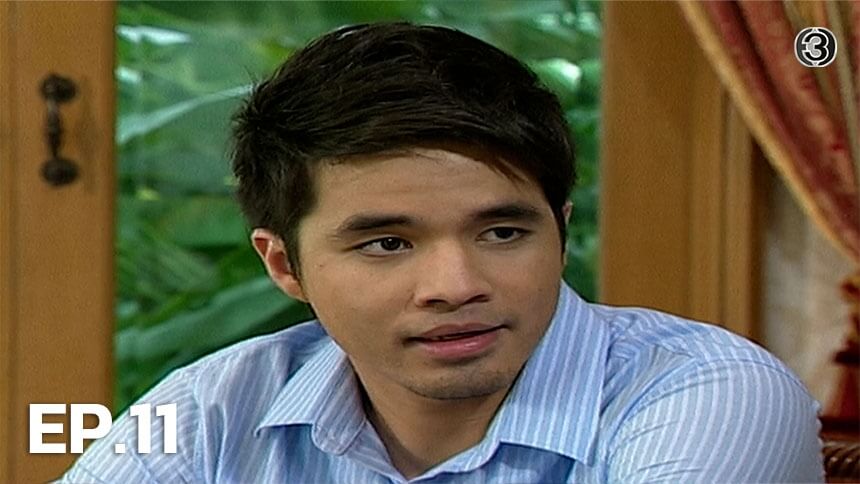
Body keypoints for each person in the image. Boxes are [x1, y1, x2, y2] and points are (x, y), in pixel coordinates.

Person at [62, 22, 823, 483]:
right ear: (284, 265)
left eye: (503, 233)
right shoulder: (212, 409)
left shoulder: (706, 393)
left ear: (560, 231)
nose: (455, 285)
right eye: (387, 243)